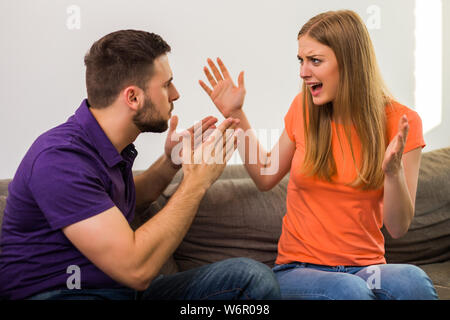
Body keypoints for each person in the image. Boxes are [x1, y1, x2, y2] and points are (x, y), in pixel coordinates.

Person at [0, 30, 281, 300]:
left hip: (121, 292)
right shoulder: (60, 160)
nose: (176, 94)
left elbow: (124, 202)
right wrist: (196, 181)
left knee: (249, 277)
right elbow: (136, 270)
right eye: (166, 84)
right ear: (133, 97)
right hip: (62, 293)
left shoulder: (106, 146)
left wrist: (171, 161)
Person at [199, 10, 438, 300]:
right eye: (301, 60)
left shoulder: (402, 121)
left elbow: (398, 227)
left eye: (315, 60)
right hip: (299, 269)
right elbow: (264, 173)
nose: (303, 72)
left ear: (349, 62)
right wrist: (235, 113)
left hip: (367, 269)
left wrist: (393, 173)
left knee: (413, 281)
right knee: (350, 291)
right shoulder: (303, 108)